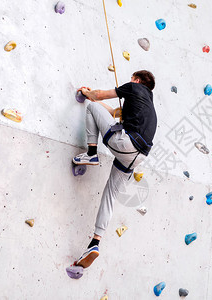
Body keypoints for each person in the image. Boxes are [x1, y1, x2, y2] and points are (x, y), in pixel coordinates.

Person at [72, 70, 157, 269]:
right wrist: (93, 94)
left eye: (132, 79)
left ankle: (91, 152)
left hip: (125, 143)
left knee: (91, 107)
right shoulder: (147, 108)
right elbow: (111, 114)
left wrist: (87, 94)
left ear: (137, 80)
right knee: (110, 194)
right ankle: (94, 243)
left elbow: (98, 98)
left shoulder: (134, 88)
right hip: (137, 157)